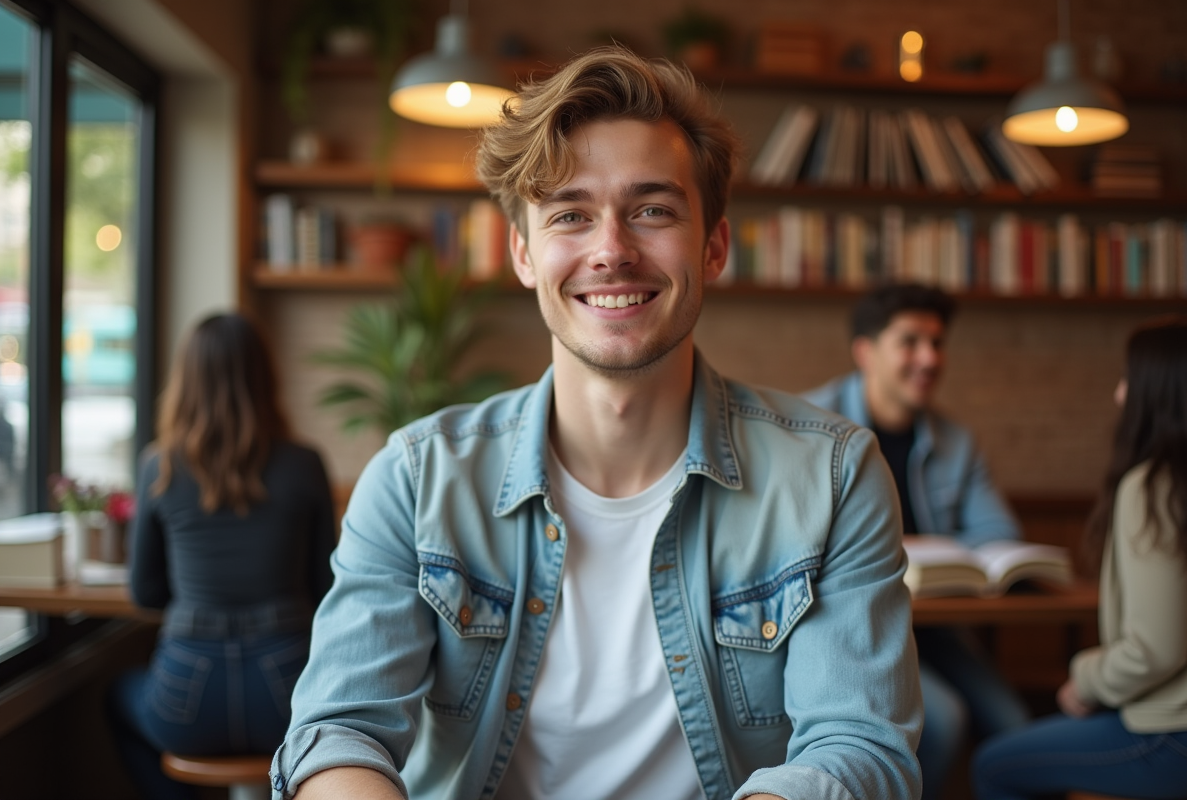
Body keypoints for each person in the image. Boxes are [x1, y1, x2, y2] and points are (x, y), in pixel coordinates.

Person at [272, 47, 921, 800]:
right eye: (571, 215)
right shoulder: (418, 478)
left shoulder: (834, 476)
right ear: (524, 252)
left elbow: (858, 746)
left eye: (652, 210)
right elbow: (338, 729)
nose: (611, 250)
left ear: (713, 246)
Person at [803, 283, 1029, 800]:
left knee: (1015, 720)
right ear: (866, 352)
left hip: (935, 627)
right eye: (910, 341)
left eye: (938, 342)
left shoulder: (957, 442)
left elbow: (999, 535)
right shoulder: (810, 427)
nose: (929, 358)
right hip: (853, 624)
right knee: (943, 718)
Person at [109, 313, 336, 800]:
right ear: (265, 377)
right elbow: (326, 588)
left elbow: (145, 592)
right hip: (287, 698)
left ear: (185, 382)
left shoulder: (158, 466)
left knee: (117, 698)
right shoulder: (304, 463)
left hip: (185, 697)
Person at [972, 315, 1187, 800]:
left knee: (994, 765)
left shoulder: (1156, 486)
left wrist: (1083, 680)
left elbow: (1155, 649)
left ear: (1157, 392)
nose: (1119, 395)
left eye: (1127, 380)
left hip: (1176, 735)